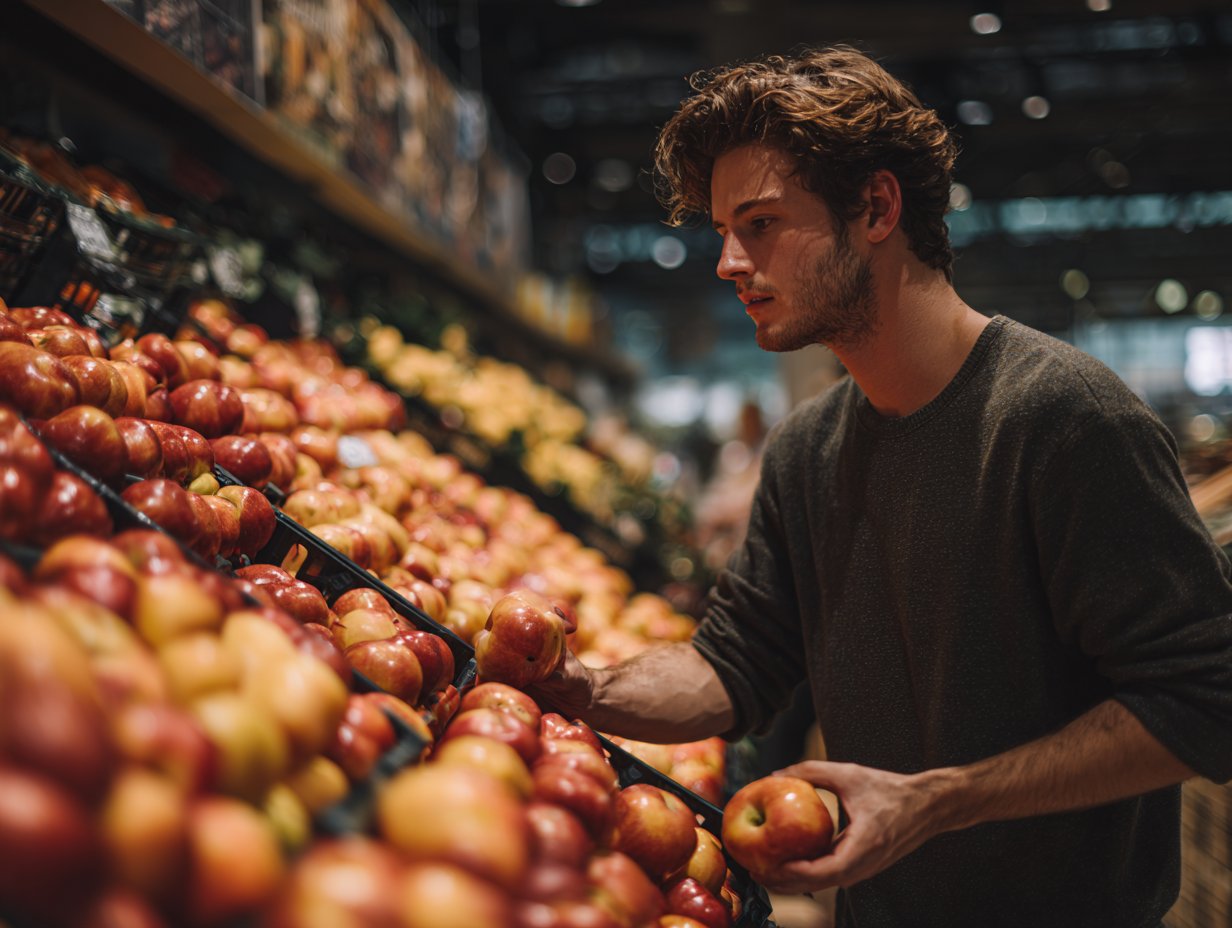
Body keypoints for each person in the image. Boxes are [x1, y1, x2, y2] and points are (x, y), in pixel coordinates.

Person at [537, 45, 1232, 927]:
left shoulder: (1066, 420)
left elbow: (1204, 699)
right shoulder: (807, 449)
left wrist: (938, 801)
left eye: (759, 224)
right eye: (722, 231)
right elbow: (736, 662)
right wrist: (584, 691)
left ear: (875, 206)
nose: (726, 263)